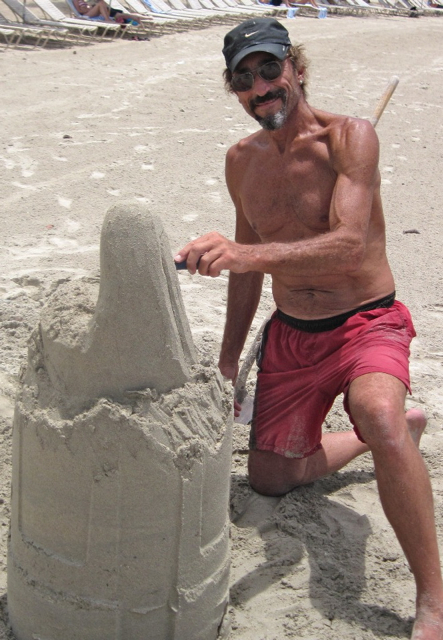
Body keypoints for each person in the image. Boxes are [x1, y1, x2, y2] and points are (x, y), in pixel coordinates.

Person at [175, 17, 443, 639]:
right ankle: (398, 429)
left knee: (373, 407)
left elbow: (349, 245)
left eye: (270, 69)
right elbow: (245, 273)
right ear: (234, 90)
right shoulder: (240, 162)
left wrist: (245, 255)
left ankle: (431, 601)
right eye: (244, 79)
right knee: (270, 477)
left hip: (365, 321)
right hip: (293, 333)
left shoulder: (351, 137)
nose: (261, 87)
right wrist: (227, 359)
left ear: (296, 68)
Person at [73, 0, 145, 23]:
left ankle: (138, 18)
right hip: (85, 14)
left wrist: (89, 7)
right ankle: (107, 19)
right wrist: (87, 9)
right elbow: (79, 10)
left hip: (89, 11)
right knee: (101, 3)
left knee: (102, 4)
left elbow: (85, 6)